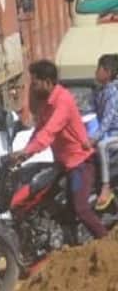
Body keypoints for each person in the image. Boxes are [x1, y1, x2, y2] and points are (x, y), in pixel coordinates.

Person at [11, 60, 106, 239]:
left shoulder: (63, 101)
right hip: (63, 164)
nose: (33, 86)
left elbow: (49, 132)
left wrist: (26, 152)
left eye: (35, 82)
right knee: (50, 205)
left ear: (47, 82)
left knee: (81, 209)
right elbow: (39, 130)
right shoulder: (47, 103)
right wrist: (23, 154)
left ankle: (108, 244)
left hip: (80, 163)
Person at [92, 53, 118, 210]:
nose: (96, 72)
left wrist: (93, 138)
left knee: (102, 145)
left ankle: (106, 187)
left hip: (115, 134)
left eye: (98, 69)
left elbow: (107, 121)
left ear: (107, 72)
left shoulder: (113, 92)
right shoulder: (100, 91)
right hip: (111, 134)